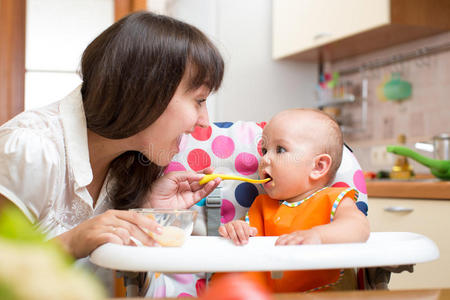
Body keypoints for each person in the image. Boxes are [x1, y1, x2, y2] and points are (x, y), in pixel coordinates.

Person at [0, 11, 223, 293]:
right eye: (199, 100)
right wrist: (70, 242)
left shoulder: (132, 162)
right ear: (147, 91)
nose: (204, 121)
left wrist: (149, 210)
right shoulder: (31, 149)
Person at [216, 108, 370, 292]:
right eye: (264, 150)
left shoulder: (333, 199)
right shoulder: (261, 206)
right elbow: (248, 247)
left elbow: (359, 227)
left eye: (280, 149)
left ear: (318, 166)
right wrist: (236, 230)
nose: (265, 159)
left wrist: (319, 236)